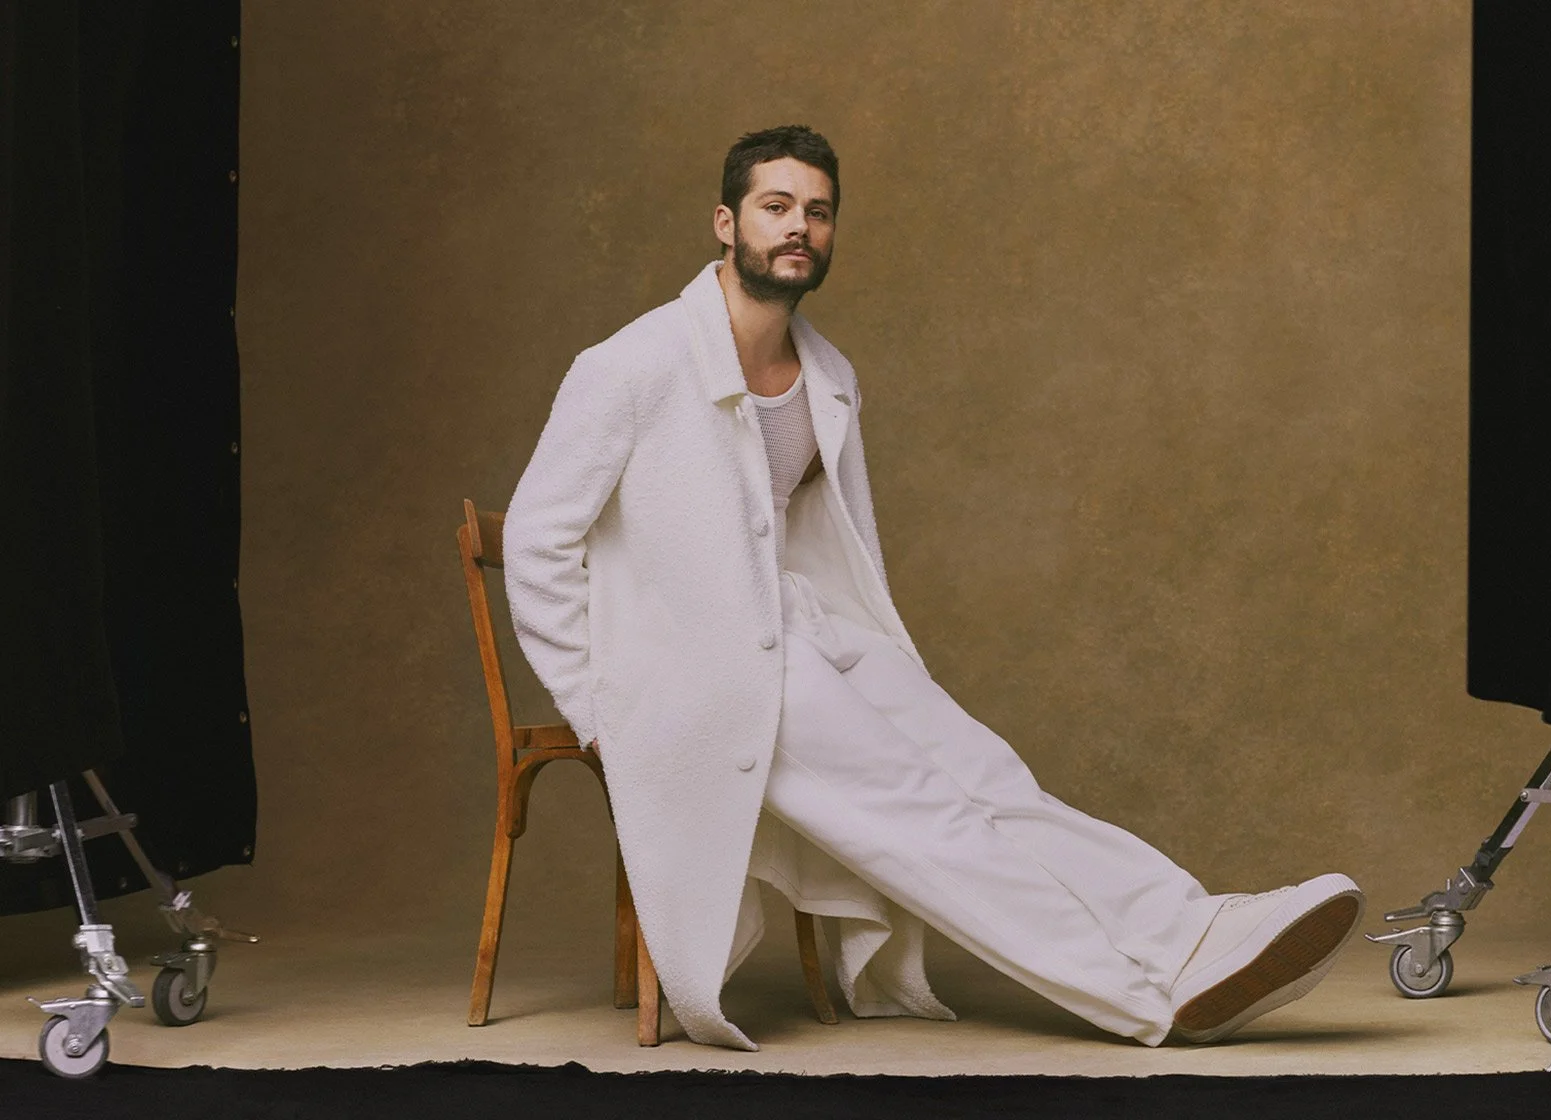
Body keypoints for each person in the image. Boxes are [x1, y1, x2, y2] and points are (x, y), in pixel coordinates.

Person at [503, 125, 1364, 1052]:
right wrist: (594, 708)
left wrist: (864, 652)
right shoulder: (631, 366)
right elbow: (537, 537)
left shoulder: (827, 375)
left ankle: (1195, 929)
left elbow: (822, 540)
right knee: (924, 815)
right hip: (701, 671)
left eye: (818, 212)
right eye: (776, 207)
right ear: (726, 222)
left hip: (809, 633)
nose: (799, 228)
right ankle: (1143, 996)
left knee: (991, 777)